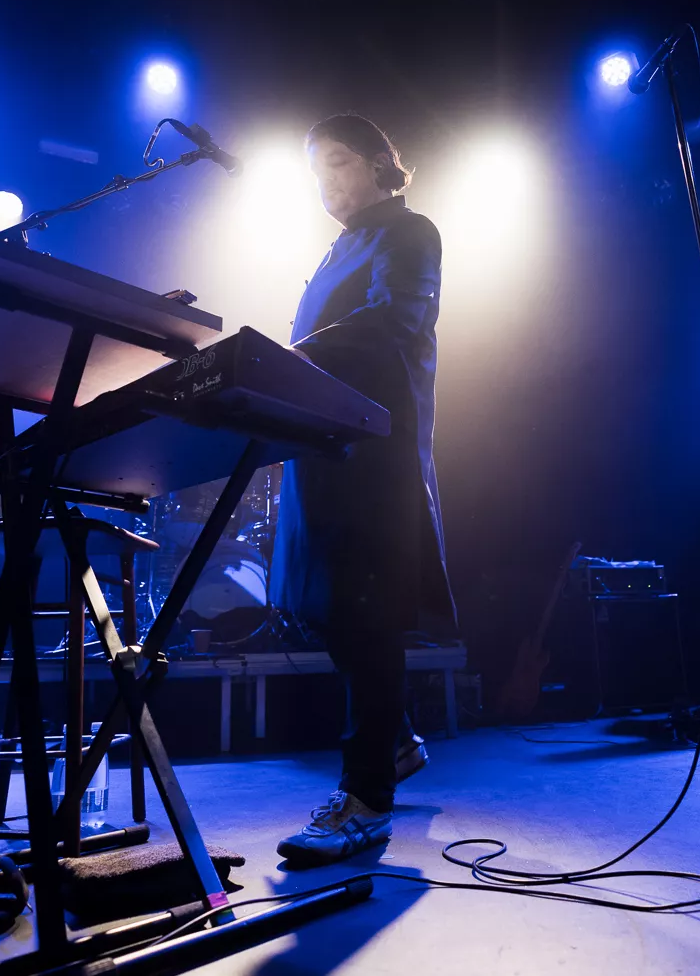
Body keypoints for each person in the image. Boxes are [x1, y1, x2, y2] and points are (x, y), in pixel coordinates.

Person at [270, 115, 454, 866]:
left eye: (339, 162)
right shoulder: (336, 248)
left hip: (372, 456)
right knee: (332, 614)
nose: (327, 182)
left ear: (381, 163)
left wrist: (283, 358)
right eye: (317, 170)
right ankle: (398, 741)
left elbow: (391, 320)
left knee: (366, 617)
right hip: (322, 453)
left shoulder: (410, 232)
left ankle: (367, 800)